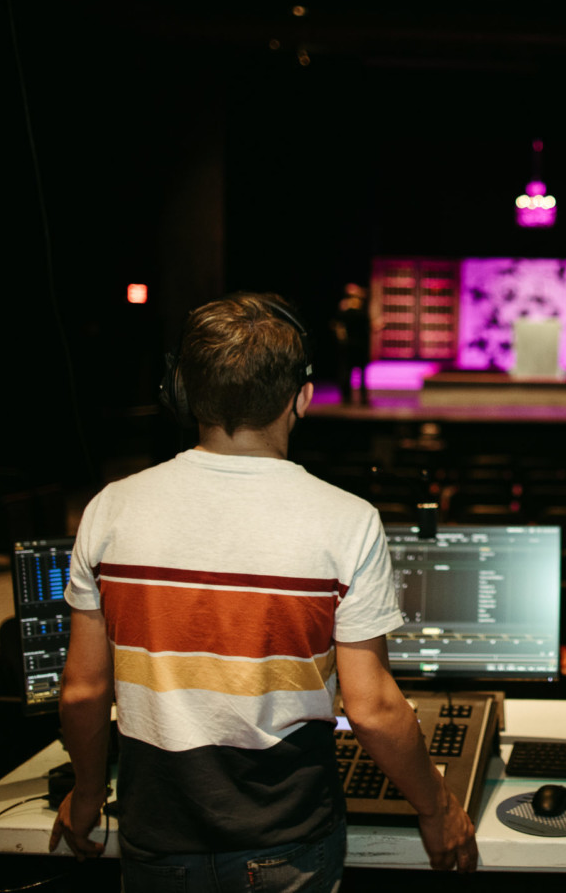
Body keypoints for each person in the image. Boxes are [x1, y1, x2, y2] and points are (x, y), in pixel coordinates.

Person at [49, 292, 477, 889]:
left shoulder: (109, 509)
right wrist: (437, 806)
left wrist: (88, 793)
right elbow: (373, 708)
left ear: (182, 391)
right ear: (301, 397)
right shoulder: (346, 521)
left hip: (156, 837)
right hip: (289, 843)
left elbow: (83, 689)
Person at [331, 283, 371, 406]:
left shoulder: (345, 312)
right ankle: (361, 397)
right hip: (357, 346)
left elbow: (336, 324)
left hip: (351, 346)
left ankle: (347, 396)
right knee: (358, 373)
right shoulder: (360, 314)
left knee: (349, 372)